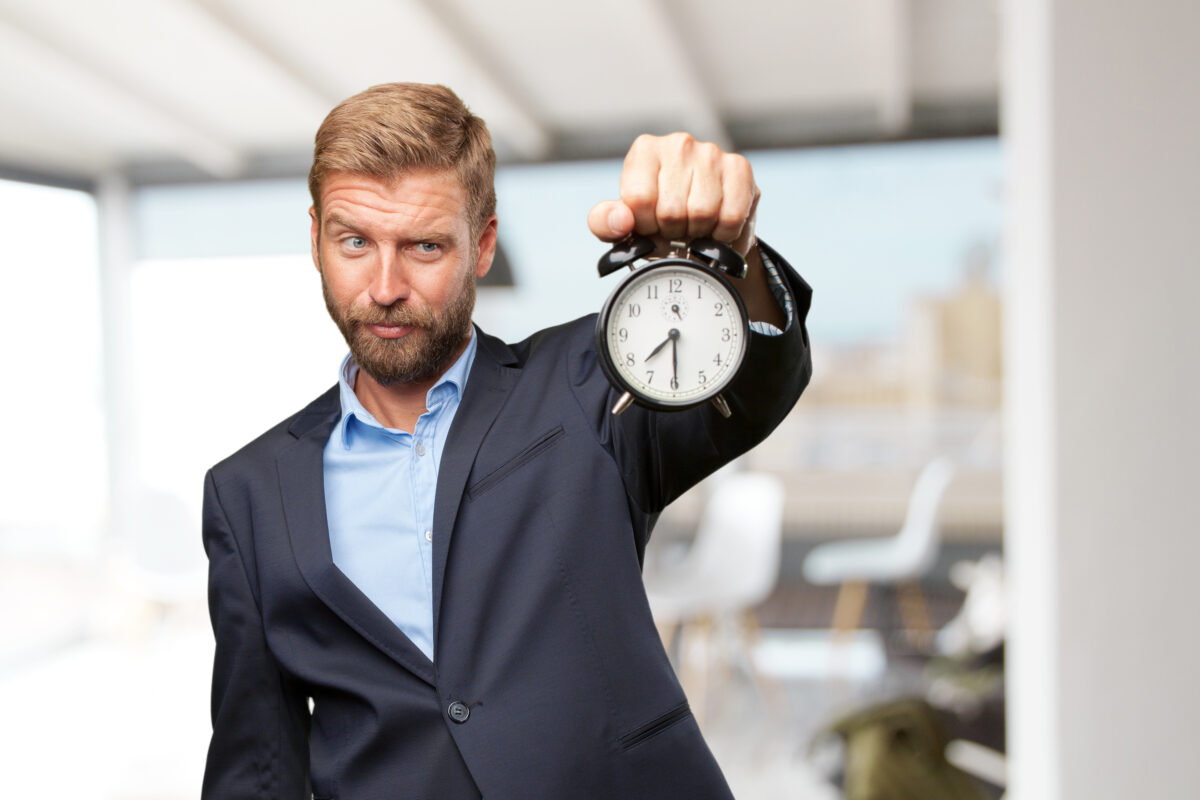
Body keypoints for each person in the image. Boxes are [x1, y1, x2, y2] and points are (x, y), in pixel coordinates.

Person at [201, 82, 812, 800]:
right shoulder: (246, 493)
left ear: (482, 244)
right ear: (315, 239)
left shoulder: (591, 384)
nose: (386, 285)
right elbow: (256, 768)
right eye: (355, 242)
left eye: (425, 245)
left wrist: (732, 253)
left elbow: (757, 385)